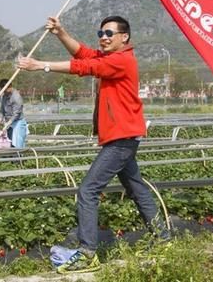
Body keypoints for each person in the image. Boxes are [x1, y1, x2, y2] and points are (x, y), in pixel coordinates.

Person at [17, 15, 168, 274]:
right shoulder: (109, 57)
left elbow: (84, 67)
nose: (104, 37)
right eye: (101, 33)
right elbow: (84, 54)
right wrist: (61, 32)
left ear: (125, 37)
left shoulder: (121, 60)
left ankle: (87, 253)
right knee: (136, 188)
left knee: (88, 190)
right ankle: (163, 239)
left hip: (121, 139)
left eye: (109, 33)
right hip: (123, 137)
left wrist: (39, 65)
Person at [0, 79, 28, 149]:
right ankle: (12, 158)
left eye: (5, 89)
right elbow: (2, 109)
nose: (3, 91)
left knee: (18, 143)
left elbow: (16, 114)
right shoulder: (4, 96)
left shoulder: (16, 97)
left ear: (10, 87)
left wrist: (8, 124)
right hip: (9, 122)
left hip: (17, 122)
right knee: (10, 142)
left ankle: (20, 159)